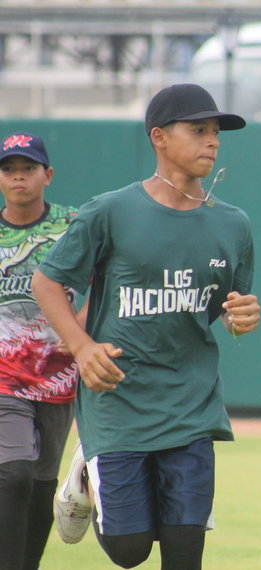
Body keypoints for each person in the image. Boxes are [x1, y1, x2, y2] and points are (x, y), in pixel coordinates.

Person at [31, 83, 260, 570]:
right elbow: (47, 282)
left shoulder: (234, 224)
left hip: (191, 405)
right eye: (198, 130)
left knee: (184, 548)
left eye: (215, 132)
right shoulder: (111, 211)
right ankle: (87, 478)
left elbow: (230, 311)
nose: (212, 141)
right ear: (159, 137)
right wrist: (82, 346)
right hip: (119, 402)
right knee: (129, 550)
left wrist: (243, 319)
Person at [0, 132, 81, 570]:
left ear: (47, 175)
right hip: (4, 375)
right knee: (13, 474)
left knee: (42, 480)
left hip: (59, 372)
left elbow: (109, 276)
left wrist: (81, 333)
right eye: (9, 169)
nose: (18, 177)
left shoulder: (73, 225)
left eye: (27, 168)